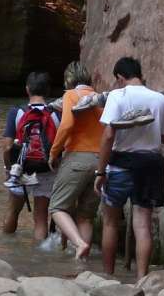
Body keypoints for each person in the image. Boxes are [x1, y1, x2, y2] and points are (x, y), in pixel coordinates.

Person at [94, 57, 164, 279]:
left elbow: (108, 136)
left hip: (121, 164)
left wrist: (100, 171)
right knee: (143, 225)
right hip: (150, 164)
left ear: (120, 77)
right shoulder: (159, 99)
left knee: (110, 222)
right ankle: (142, 280)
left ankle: (108, 277)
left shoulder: (117, 96)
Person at [47, 61, 102, 259]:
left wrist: (54, 152)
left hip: (78, 157)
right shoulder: (100, 98)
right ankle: (82, 263)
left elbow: (67, 124)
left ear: (68, 79)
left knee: (57, 207)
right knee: (85, 216)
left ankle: (79, 244)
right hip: (101, 161)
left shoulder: (71, 95)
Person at [2, 72, 59, 239]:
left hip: (21, 168)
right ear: (48, 90)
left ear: (27, 89)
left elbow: (7, 147)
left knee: (12, 211)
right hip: (46, 168)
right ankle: (39, 252)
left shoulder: (16, 112)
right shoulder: (57, 114)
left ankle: (5, 247)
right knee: (41, 217)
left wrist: (9, 169)